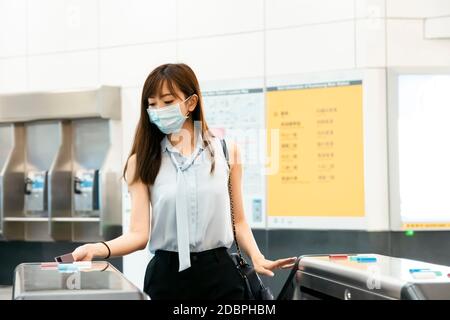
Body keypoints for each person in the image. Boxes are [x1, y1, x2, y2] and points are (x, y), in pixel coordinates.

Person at [71, 63, 296, 299]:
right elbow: (138, 234)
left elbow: (237, 221)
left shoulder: (227, 153)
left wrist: (257, 257)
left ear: (191, 103)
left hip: (221, 275)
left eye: (167, 102)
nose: (158, 109)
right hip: (166, 277)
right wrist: (96, 249)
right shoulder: (142, 162)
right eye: (152, 104)